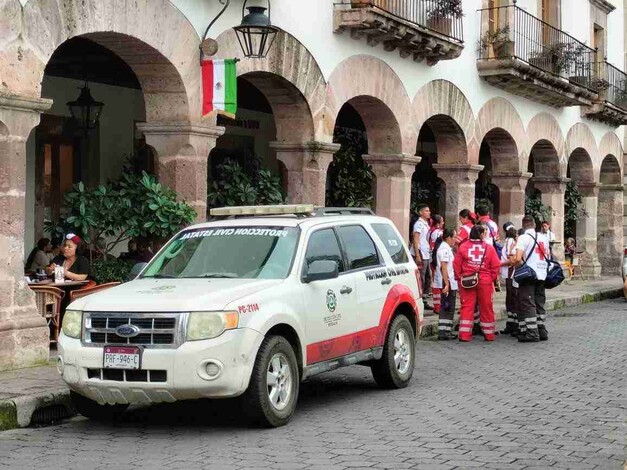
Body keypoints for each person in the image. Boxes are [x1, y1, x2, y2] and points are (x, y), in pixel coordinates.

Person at [453, 224, 500, 342]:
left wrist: (459, 277)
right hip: (485, 281)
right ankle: (489, 334)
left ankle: (464, 335)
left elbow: (456, 264)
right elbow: (495, 265)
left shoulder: (463, 247)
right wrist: (491, 278)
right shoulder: (489, 248)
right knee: (486, 307)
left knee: (467, 307)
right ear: (481, 234)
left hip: (467, 280)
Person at [514, 215, 551, 342]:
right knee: (539, 302)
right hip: (542, 274)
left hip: (529, 275)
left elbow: (518, 258)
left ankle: (532, 332)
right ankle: (542, 330)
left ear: (523, 226)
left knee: (528, 303)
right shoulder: (543, 238)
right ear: (534, 225)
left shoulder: (523, 238)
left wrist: (516, 265)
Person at [433, 228, 457, 340]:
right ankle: (443, 332)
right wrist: (447, 284)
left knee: (450, 306)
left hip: (448, 280)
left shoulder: (446, 248)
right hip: (446, 281)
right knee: (447, 306)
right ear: (448, 238)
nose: (455, 240)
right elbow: (444, 267)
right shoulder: (444, 249)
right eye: (454, 237)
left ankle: (446, 330)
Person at [411, 204, 433, 310]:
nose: (429, 212)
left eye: (429, 211)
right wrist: (417, 255)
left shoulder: (426, 224)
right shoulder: (418, 224)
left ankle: (425, 298)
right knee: (421, 277)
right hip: (420, 253)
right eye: (426, 211)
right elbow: (416, 239)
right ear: (420, 212)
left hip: (426, 253)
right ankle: (420, 300)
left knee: (428, 277)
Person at [500, 223, 519, 336]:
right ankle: (511, 323)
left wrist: (499, 264)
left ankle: (514, 324)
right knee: (510, 299)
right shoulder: (509, 242)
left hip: (510, 273)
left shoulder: (510, 243)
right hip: (507, 273)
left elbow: (510, 259)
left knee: (512, 298)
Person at [429, 215, 444, 314]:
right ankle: (438, 306)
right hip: (439, 259)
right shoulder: (439, 233)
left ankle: (437, 305)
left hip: (433, 258)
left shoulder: (431, 231)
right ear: (438, 223)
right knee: (438, 283)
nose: (443, 223)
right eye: (442, 221)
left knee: (436, 282)